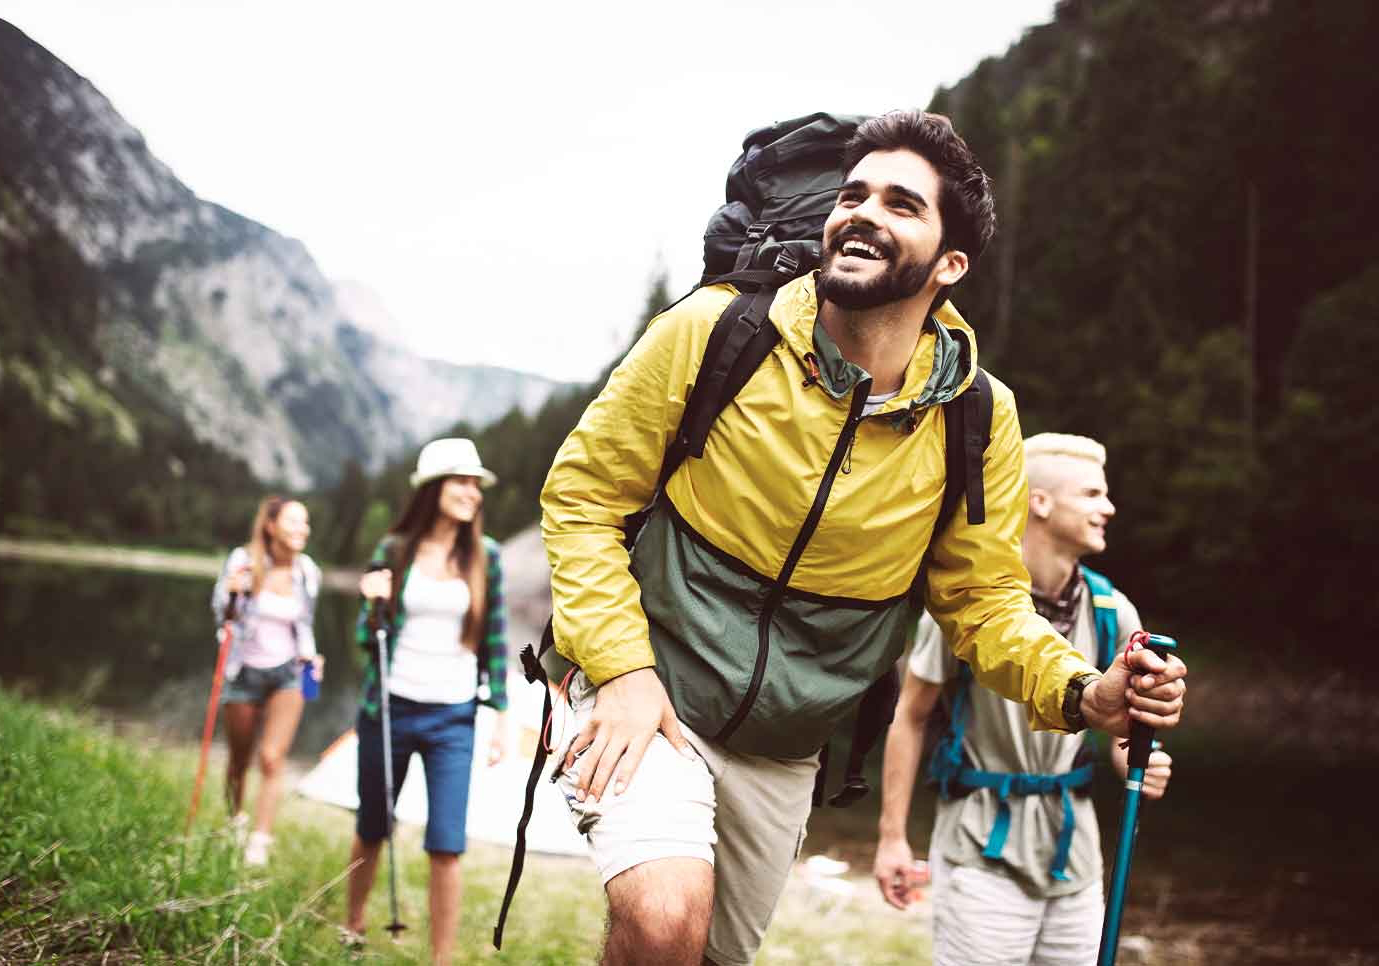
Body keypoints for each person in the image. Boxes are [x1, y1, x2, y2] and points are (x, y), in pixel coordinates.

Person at [538, 110, 1188, 966]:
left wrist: (1083, 694)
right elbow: (584, 494)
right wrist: (620, 670)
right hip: (653, 690)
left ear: (949, 264)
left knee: (706, 956)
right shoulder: (715, 330)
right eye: (852, 194)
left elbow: (982, 603)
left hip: (783, 746)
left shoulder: (976, 417)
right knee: (662, 922)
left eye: (900, 203)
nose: (862, 213)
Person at [874, 433, 1174, 965]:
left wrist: (1139, 758)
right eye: (1091, 494)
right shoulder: (966, 608)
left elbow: (1122, 734)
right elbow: (910, 715)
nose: (1108, 508)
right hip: (981, 850)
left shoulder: (1113, 612)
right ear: (1040, 502)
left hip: (1074, 856)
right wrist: (892, 837)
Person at [343, 438, 509, 964]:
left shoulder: (488, 557)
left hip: (453, 718)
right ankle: (353, 924)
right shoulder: (393, 551)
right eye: (461, 480)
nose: (472, 492)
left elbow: (497, 641)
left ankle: (440, 959)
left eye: (476, 483)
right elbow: (365, 639)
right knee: (372, 826)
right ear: (434, 487)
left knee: (447, 843)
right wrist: (371, 606)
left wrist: (502, 714)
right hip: (388, 711)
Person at [211, 495, 323, 867]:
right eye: (293, 522)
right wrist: (232, 593)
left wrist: (311, 656)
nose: (301, 529)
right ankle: (234, 822)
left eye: (305, 523)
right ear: (271, 526)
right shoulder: (243, 562)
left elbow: (305, 622)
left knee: (272, 758)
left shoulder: (308, 571)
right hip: (243, 672)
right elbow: (221, 615)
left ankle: (260, 840)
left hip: (289, 673)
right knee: (239, 758)